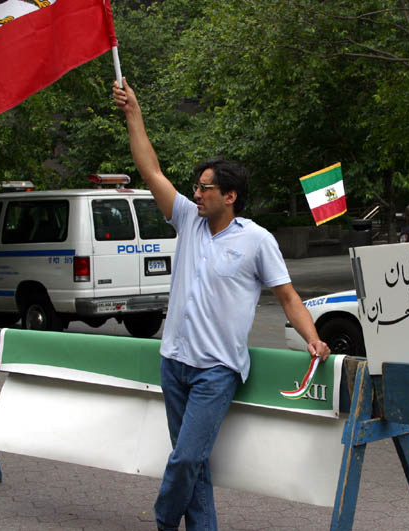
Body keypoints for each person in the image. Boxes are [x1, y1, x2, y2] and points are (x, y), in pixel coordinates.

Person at [113, 78, 330, 531]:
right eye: (196, 186)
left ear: (229, 196)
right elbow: (151, 171)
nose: (196, 193)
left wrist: (313, 338)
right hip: (173, 361)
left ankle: (162, 519)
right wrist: (134, 113)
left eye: (206, 188)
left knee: (188, 456)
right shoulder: (187, 220)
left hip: (217, 370)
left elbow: (287, 296)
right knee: (195, 467)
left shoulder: (256, 240)